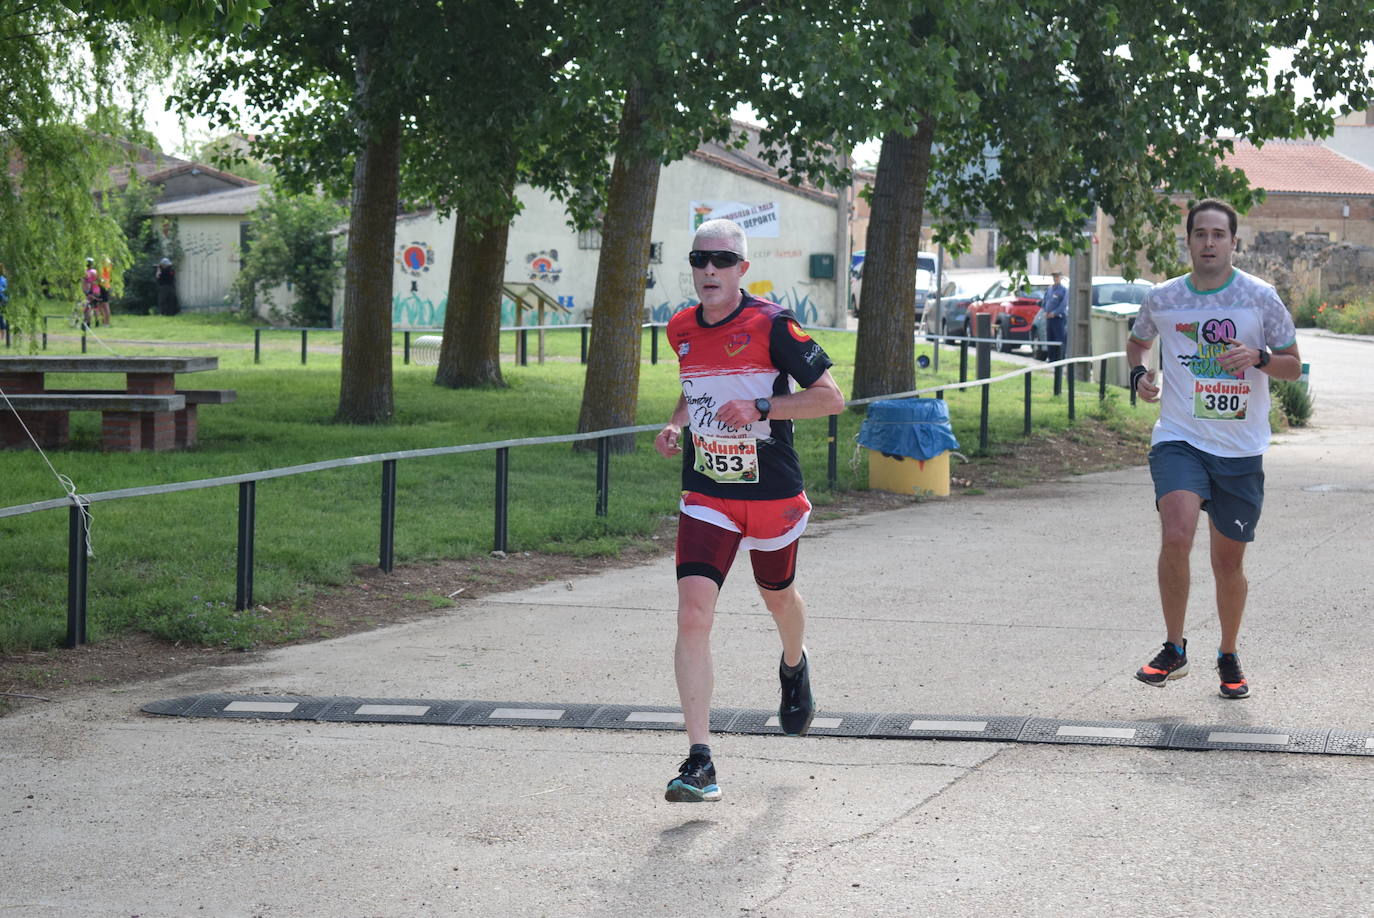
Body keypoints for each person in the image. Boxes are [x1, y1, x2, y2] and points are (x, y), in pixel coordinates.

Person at [654, 218, 844, 802]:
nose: (708, 269)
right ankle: (700, 761)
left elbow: (832, 398)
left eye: (720, 260)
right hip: (707, 489)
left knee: (778, 596)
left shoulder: (773, 324)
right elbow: (697, 387)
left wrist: (761, 405)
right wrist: (676, 422)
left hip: (770, 493)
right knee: (692, 615)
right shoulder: (680, 327)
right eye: (698, 259)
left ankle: (794, 664)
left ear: (742, 269)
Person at [1126, 198, 1301, 699]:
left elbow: (1293, 363)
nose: (1208, 243)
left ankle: (1227, 653)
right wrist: (1140, 374)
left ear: (1233, 242)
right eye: (1200, 234)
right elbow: (1137, 341)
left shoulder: (1260, 297)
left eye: (1218, 235)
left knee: (1227, 563)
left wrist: (1260, 357)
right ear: (1188, 240)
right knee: (1176, 533)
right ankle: (1174, 647)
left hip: (1241, 447)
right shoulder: (1162, 298)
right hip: (1180, 437)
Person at [1040, 269, 1068, 362]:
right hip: (1049, 318)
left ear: (1061, 278)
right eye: (1054, 276)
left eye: (1057, 276)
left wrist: (1054, 313)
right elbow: (1045, 301)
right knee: (1050, 338)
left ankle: (1059, 359)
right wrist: (1045, 311)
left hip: (1058, 318)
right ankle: (1051, 359)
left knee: (1058, 339)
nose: (1055, 278)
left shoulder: (1063, 290)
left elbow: (1063, 304)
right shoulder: (1049, 289)